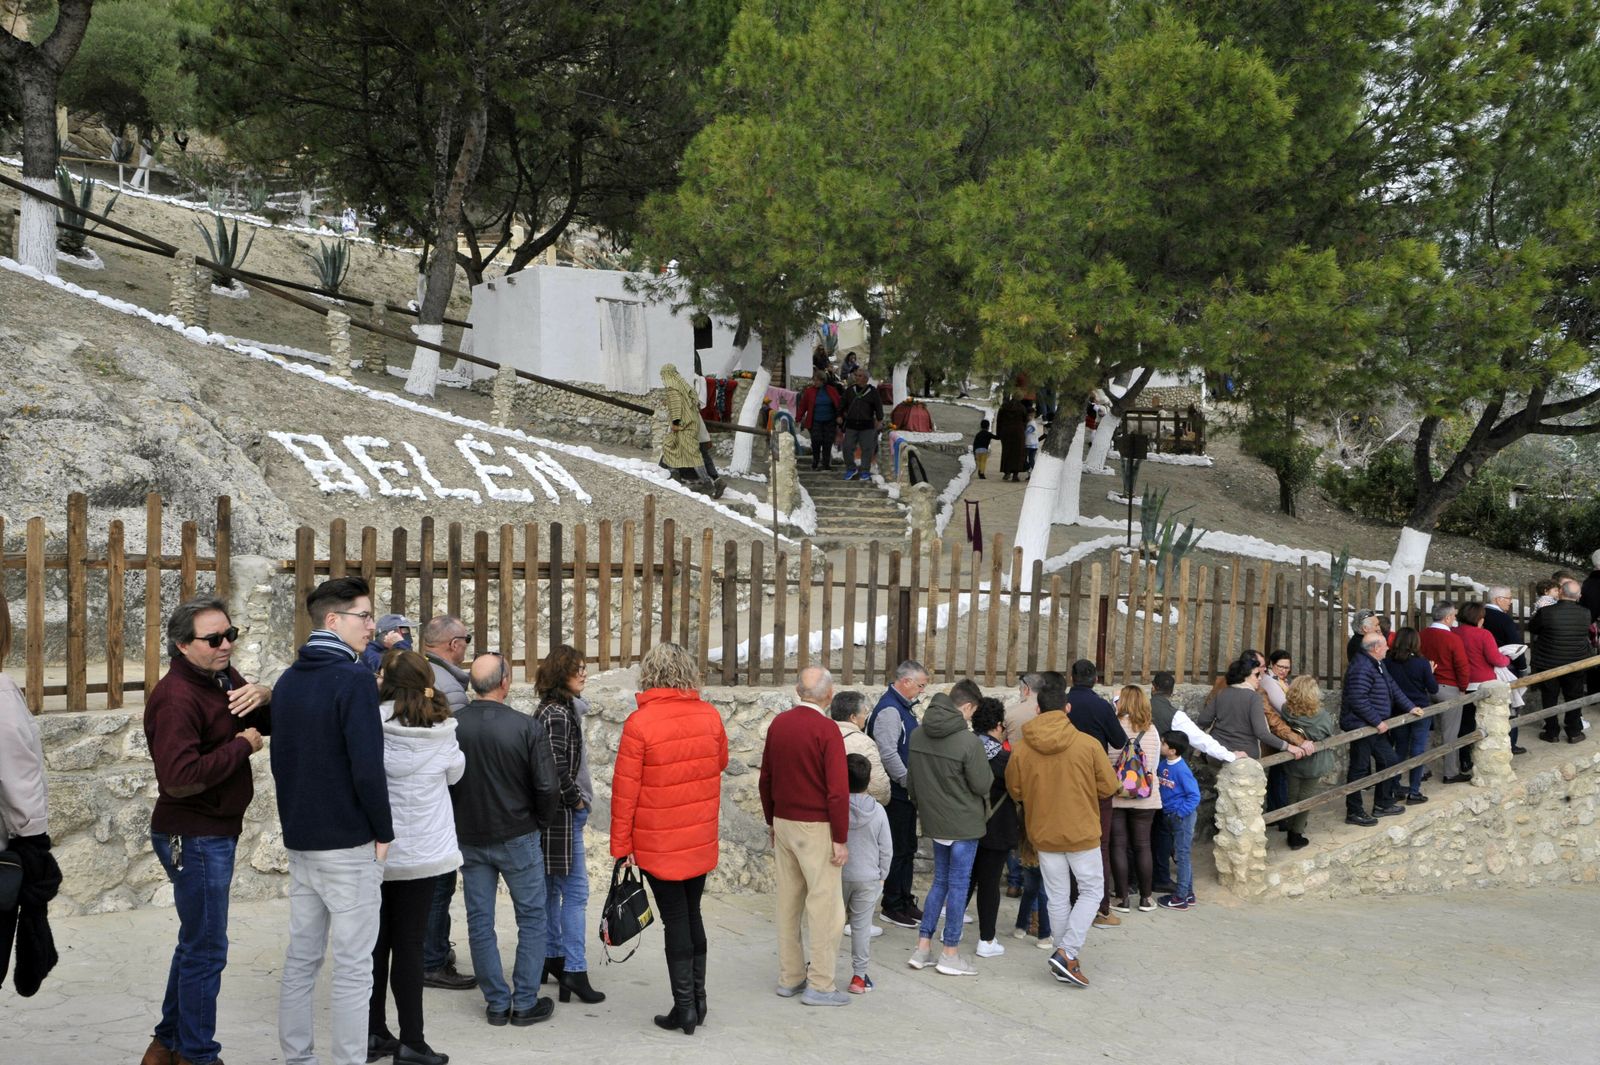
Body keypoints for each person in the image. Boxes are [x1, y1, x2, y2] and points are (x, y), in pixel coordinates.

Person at [142, 596, 272, 1065]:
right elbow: (178, 779)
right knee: (207, 949)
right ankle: (198, 1055)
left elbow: (263, 722)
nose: (226, 645)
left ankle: (168, 1044)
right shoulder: (176, 697)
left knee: (195, 942)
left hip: (212, 829)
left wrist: (265, 694)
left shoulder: (220, 677)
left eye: (230, 634)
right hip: (194, 834)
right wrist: (241, 747)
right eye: (214, 639)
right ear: (182, 645)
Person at [271, 576, 395, 1065]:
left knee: (302, 959)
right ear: (332, 620)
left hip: (303, 841)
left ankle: (297, 1057)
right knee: (352, 968)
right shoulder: (354, 677)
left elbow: (285, 761)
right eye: (364, 616)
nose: (372, 626)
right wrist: (383, 831)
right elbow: (367, 763)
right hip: (346, 844)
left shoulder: (288, 679)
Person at [612, 643, 728, 1033]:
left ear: (649, 674)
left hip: (658, 840)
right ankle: (699, 1001)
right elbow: (721, 761)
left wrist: (621, 847)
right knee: (692, 914)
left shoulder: (640, 723)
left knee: (675, 918)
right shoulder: (710, 715)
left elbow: (625, 790)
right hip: (698, 834)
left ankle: (685, 1009)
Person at [451, 653, 558, 1028]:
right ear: (505, 682)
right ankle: (524, 1001)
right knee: (532, 917)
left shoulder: (453, 724)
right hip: (517, 833)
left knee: (480, 920)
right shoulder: (525, 727)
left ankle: (497, 1003)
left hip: (469, 835)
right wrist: (539, 822)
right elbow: (547, 786)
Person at [368, 650, 464, 1065]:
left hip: (378, 849)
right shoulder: (442, 727)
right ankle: (413, 1041)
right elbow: (456, 774)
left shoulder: (373, 723)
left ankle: (372, 1033)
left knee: (374, 945)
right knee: (409, 946)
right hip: (424, 852)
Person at [1005, 682, 1120, 989]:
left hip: (1042, 829)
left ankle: (1064, 953)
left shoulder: (1022, 748)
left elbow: (1015, 790)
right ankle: (1067, 951)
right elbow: (1109, 786)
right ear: (1067, 708)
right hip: (1081, 829)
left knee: (1056, 895)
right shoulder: (1087, 744)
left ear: (1038, 709)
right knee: (1092, 890)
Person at [760, 665, 851, 1006]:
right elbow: (837, 791)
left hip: (783, 820)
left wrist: (771, 820)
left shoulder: (779, 725)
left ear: (798, 691)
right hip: (816, 827)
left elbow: (765, 778)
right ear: (829, 695)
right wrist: (840, 838)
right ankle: (821, 984)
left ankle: (790, 977)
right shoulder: (827, 730)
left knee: (789, 902)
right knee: (825, 907)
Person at [530, 645, 603, 1006]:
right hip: (562, 815)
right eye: (579, 669)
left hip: (550, 815)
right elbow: (555, 765)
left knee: (550, 890)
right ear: (562, 673)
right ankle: (574, 968)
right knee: (575, 893)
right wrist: (576, 799)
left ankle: (551, 957)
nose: (584, 674)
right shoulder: (558, 713)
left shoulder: (551, 708)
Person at [905, 688, 989, 977]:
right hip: (964, 822)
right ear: (966, 707)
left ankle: (923, 947)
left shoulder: (917, 734)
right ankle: (950, 952)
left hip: (935, 821)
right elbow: (982, 785)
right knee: (958, 885)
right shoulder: (968, 741)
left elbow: (912, 781)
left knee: (939, 882)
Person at [415, 616, 475, 991]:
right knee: (439, 883)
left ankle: (428, 950)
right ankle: (432, 960)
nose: (467, 646)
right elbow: (456, 750)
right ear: (453, 644)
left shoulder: (418, 672)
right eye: (466, 640)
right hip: (438, 799)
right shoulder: (450, 688)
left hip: (415, 800)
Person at [1060, 661, 1124, 926]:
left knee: (1063, 843)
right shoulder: (1101, 706)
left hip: (1063, 780)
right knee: (1099, 843)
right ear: (1096, 679)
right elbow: (1119, 741)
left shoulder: (1063, 703)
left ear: (1072, 678)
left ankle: (1067, 903)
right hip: (1094, 780)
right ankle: (1099, 908)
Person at [867, 660, 928, 928]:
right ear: (906, 682)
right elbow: (888, 752)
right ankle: (892, 904)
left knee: (907, 847)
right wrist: (906, 781)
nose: (921, 691)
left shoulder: (902, 707)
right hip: (896, 793)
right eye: (920, 685)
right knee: (898, 849)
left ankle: (904, 899)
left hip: (905, 790)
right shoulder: (890, 710)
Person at [1341, 632, 1421, 827]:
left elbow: (1392, 688)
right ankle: (1354, 811)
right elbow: (1358, 700)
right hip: (1362, 726)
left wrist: (1410, 707)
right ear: (1376, 648)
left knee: (1390, 761)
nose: (1388, 648)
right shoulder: (1361, 668)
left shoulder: (1376, 664)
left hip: (1372, 725)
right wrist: (1377, 722)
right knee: (1359, 768)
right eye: (1385, 645)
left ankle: (1383, 804)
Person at [966, 697, 1018, 959]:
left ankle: (949, 930)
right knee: (989, 884)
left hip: (965, 824)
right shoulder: (1005, 760)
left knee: (963, 879)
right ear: (998, 725)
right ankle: (987, 939)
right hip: (996, 827)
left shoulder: (964, 749)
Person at [841, 753, 893, 995]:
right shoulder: (879, 812)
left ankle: (820, 970)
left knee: (830, 924)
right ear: (869, 779)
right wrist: (882, 875)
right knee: (861, 928)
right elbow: (887, 848)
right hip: (868, 876)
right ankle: (859, 977)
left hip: (838, 874)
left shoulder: (835, 808)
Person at [1108, 686, 1162, 914]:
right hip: (1145, 795)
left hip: (1117, 792)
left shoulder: (1112, 728)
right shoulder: (1152, 730)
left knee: (1118, 844)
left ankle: (1122, 898)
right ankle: (1146, 898)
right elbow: (1154, 765)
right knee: (1143, 845)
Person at [1193, 657, 1305, 762]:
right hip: (1244, 759)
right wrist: (1288, 746)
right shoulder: (1254, 697)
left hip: (1217, 754)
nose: (1260, 678)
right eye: (1256, 675)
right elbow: (1262, 733)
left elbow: (1203, 720)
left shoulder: (1222, 693)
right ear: (1245, 676)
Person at [1276, 676, 1336, 850]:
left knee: (1292, 794)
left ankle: (1290, 823)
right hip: (1313, 761)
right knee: (1306, 797)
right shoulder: (1321, 715)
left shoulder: (1286, 709)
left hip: (1293, 758)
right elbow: (1327, 732)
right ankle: (1296, 834)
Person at [1529, 579, 1592, 744]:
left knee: (1549, 697)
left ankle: (1552, 732)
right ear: (1578, 596)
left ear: (1561, 592)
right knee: (1574, 697)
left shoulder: (1546, 612)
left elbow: (1533, 628)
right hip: (1575, 662)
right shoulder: (1586, 613)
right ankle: (1574, 732)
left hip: (1548, 662)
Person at [1420, 602, 1473, 784]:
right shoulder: (1452, 639)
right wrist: (1463, 688)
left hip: (1426, 686)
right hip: (1448, 687)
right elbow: (1461, 666)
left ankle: (1422, 769)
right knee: (1450, 732)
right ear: (1448, 617)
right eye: (1454, 616)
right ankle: (1450, 772)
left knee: (1424, 730)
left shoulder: (1422, 635)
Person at [1387, 628, 1438, 805]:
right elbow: (1433, 689)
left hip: (1397, 710)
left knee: (1399, 749)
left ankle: (1394, 786)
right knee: (1418, 749)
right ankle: (1414, 791)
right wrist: (1430, 672)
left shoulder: (1388, 662)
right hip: (1420, 709)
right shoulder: (1422, 663)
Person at [659, 364, 726, 498]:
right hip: (695, 424)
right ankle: (676, 476)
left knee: (695, 456)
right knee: (674, 448)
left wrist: (676, 423)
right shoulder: (684, 385)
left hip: (685, 427)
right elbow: (696, 402)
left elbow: (677, 406)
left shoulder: (672, 388)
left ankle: (709, 483)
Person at [1154, 732, 1201, 908]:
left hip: (1182, 817)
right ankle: (1188, 893)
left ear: (1172, 750)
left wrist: (1179, 814)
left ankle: (1180, 897)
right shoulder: (1163, 764)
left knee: (1182, 856)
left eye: (1163, 743)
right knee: (1182, 855)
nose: (1160, 745)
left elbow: (1194, 796)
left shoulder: (1182, 770)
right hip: (1170, 815)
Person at [830, 690, 889, 806]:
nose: (866, 716)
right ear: (853, 717)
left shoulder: (821, 735)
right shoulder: (863, 742)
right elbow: (880, 787)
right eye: (864, 712)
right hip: (855, 808)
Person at [840, 367, 885, 481]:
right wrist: (839, 415)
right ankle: (851, 468)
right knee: (847, 447)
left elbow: (878, 406)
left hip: (867, 426)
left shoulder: (873, 391)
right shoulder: (850, 390)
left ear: (865, 378)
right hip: (851, 425)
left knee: (867, 449)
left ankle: (865, 471)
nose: (857, 378)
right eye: (856, 375)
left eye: (860, 376)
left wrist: (879, 419)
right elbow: (842, 404)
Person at [797, 371, 844, 471]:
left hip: (830, 421)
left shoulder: (831, 390)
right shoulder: (809, 391)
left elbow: (838, 404)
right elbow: (803, 406)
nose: (815, 382)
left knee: (828, 442)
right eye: (814, 380)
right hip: (815, 421)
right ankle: (816, 461)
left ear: (822, 381)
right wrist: (798, 418)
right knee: (816, 441)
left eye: (817, 380)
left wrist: (840, 416)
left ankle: (826, 463)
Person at [995, 397, 1029, 482]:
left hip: (1006, 431)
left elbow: (999, 421)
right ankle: (1015, 474)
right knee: (1018, 453)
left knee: (1007, 452)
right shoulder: (1022, 408)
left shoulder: (1004, 407)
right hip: (1018, 432)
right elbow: (1025, 420)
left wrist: (998, 434)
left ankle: (1007, 472)